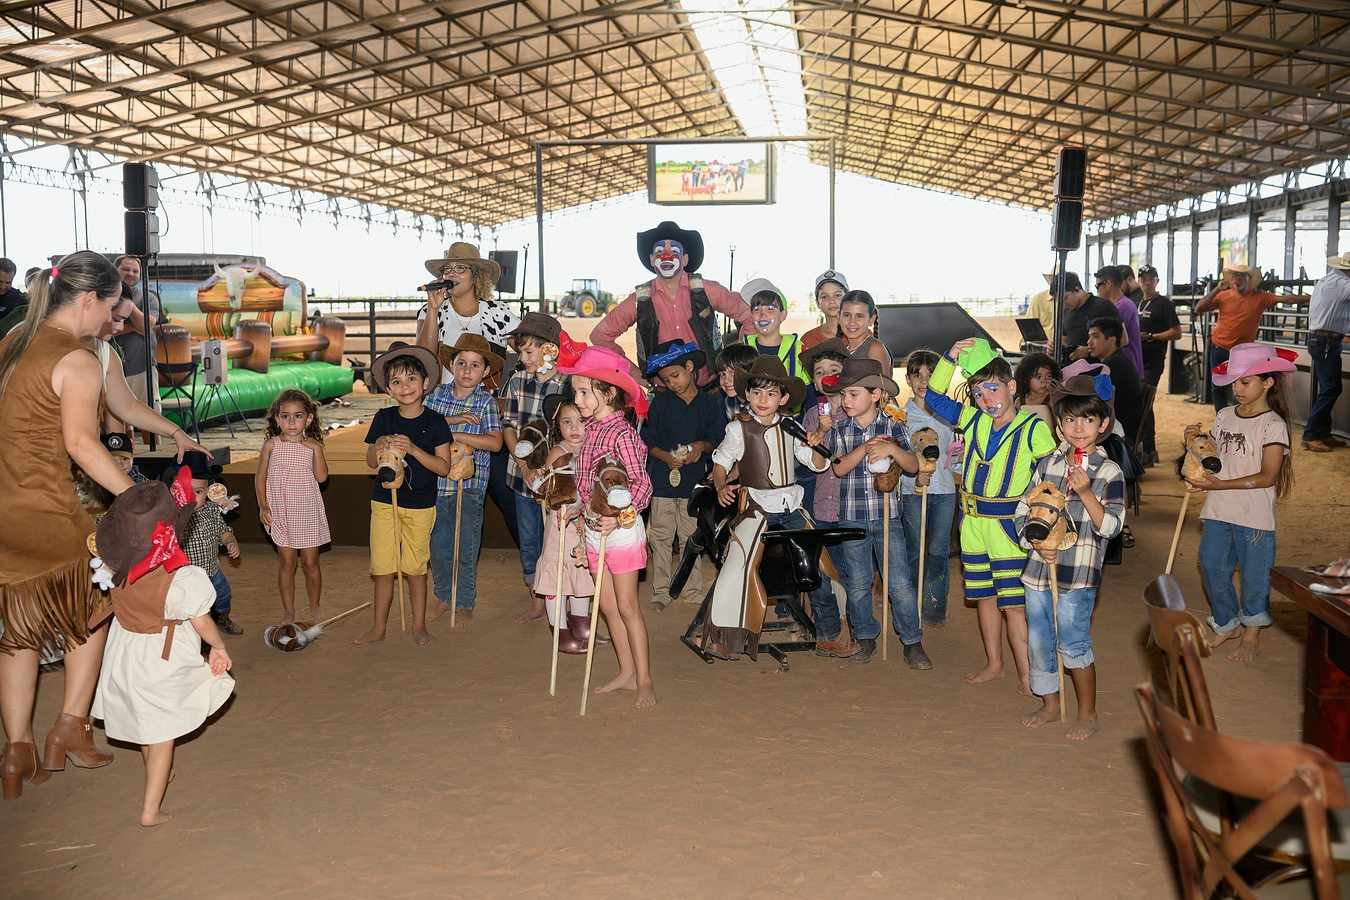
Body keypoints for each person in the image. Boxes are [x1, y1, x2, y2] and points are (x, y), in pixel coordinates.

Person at [0, 251, 133, 801]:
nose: (111, 320)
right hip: (48, 510)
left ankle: (17, 752)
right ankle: (70, 726)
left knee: (19, 630)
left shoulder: (13, 342)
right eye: (110, 308)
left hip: (4, 514)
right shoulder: (77, 360)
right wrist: (135, 496)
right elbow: (81, 444)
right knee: (96, 607)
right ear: (88, 299)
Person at [88, 473, 234, 825]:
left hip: (126, 653)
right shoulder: (181, 577)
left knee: (146, 721)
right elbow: (202, 622)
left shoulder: (115, 565)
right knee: (163, 733)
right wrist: (218, 647)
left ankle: (157, 770)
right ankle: (150, 810)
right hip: (162, 658)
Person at [925, 338, 1056, 694]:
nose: (986, 399)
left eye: (993, 389)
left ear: (1012, 387)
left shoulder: (1033, 428)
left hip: (1007, 528)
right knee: (984, 597)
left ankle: (1028, 675)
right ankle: (995, 665)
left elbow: (1051, 476)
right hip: (971, 525)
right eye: (978, 393)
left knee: (1014, 605)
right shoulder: (973, 419)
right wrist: (949, 358)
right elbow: (933, 398)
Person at [1015, 373, 1125, 740]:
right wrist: (1035, 542)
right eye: (1070, 419)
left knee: (1073, 641)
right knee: (1039, 639)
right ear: (1059, 424)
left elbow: (1111, 527)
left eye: (1089, 419)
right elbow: (1022, 511)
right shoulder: (1047, 465)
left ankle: (1088, 713)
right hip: (1038, 571)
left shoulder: (1109, 472)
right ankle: (1050, 703)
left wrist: (1087, 493)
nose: (1079, 428)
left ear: (1103, 424)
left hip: (1078, 575)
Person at [707, 356, 830, 658]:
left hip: (791, 506)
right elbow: (721, 463)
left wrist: (819, 439)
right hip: (756, 506)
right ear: (747, 395)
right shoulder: (738, 429)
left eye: (771, 393)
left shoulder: (791, 427)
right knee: (738, 563)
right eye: (757, 392)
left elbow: (816, 464)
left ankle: (830, 633)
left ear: (783, 398)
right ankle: (727, 638)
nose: (763, 400)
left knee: (820, 563)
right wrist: (721, 486)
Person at [557, 345, 657, 709]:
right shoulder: (591, 430)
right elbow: (588, 485)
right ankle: (626, 672)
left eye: (584, 392)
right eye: (576, 392)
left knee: (628, 606)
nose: (578, 400)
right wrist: (576, 509)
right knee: (608, 606)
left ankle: (644, 679)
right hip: (593, 530)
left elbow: (642, 486)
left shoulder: (622, 434)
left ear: (609, 392)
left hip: (622, 532)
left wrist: (620, 517)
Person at [1186, 343, 1296, 663]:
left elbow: (1267, 476)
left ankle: (1251, 633)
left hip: (1254, 514)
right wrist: (1197, 447)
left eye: (1245, 382)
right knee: (1211, 564)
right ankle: (1227, 622)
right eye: (1235, 382)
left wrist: (1221, 485)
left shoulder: (1273, 424)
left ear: (1268, 382)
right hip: (1220, 508)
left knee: (1253, 576)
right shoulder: (1224, 415)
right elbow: (1215, 457)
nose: (1237, 388)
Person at [413, 242, 520, 548]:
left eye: (461, 268)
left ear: (476, 276)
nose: (453, 274)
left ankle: (534, 561)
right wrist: (433, 309)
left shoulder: (497, 312)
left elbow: (526, 351)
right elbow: (423, 358)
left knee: (503, 490)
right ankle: (443, 560)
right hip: (444, 408)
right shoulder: (431, 310)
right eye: (448, 269)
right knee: (440, 488)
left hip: (486, 410)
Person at [820, 358, 923, 665]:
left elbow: (913, 466)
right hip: (852, 517)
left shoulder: (894, 426)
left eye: (853, 394)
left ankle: (912, 640)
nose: (846, 401)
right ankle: (865, 636)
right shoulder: (839, 430)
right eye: (844, 395)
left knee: (900, 583)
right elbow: (838, 468)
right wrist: (865, 447)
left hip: (888, 517)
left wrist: (892, 449)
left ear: (875, 395)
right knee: (858, 582)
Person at [357, 345, 453, 645]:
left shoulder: (435, 422)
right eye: (396, 381)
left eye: (411, 379)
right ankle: (378, 628)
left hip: (421, 505)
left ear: (425, 383)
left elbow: (443, 467)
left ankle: (419, 625)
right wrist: (379, 445)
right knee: (383, 568)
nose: (405, 386)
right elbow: (370, 462)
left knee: (415, 569)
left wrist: (413, 449)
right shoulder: (384, 417)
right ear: (388, 389)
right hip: (384, 502)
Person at [589, 221, 753, 384]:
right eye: (660, 251)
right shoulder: (638, 301)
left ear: (685, 259)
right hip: (663, 393)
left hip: (711, 390)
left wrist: (736, 360)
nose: (666, 255)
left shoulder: (708, 290)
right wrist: (634, 373)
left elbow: (751, 315)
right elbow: (600, 337)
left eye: (674, 251)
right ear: (652, 260)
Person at [425, 334, 504, 625]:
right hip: (435, 484)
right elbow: (423, 429)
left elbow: (495, 442)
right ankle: (445, 595)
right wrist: (451, 424)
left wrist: (456, 436)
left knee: (466, 545)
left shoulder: (486, 403)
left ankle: (464, 601)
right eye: (461, 363)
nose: (467, 370)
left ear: (485, 371)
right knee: (438, 545)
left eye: (475, 365)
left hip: (470, 486)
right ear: (451, 365)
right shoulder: (435, 396)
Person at [641, 340, 726, 612]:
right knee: (661, 536)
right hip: (661, 482)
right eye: (666, 380)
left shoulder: (709, 404)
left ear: (690, 367)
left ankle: (691, 589)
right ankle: (661, 591)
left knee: (691, 536)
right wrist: (667, 457)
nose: (671, 384)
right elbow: (648, 440)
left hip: (693, 483)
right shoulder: (660, 403)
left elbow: (716, 439)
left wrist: (700, 447)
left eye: (675, 376)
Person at [500, 312, 569, 620]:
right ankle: (537, 600)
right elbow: (509, 426)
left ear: (550, 349)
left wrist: (551, 467)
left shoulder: (567, 383)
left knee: (560, 539)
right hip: (522, 478)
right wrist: (525, 467)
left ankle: (563, 597)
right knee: (529, 540)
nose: (523, 358)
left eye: (529, 352)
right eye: (521, 352)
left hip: (558, 479)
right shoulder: (516, 381)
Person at [799, 338, 857, 657]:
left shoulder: (856, 411)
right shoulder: (811, 415)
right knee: (820, 572)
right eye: (819, 372)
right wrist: (821, 432)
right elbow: (815, 463)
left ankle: (857, 630)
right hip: (822, 505)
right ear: (814, 382)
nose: (826, 376)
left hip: (853, 505)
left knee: (852, 573)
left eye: (834, 369)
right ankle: (828, 631)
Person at [255, 389, 330, 625]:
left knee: (310, 563)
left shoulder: (312, 447)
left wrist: (316, 449)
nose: (291, 422)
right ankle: (288, 610)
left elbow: (322, 478)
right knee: (287, 563)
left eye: (298, 416)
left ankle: (314, 605)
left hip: (307, 512)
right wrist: (263, 506)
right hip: (281, 513)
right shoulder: (271, 445)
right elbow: (260, 478)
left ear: (308, 419)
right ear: (277, 419)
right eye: (285, 416)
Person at [1195, 262, 1309, 411]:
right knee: (1217, 387)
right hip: (1219, 346)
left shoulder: (1261, 297)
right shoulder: (1223, 296)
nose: (1237, 279)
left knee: (1242, 386)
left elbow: (1287, 299)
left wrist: (1312, 298)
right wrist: (1216, 289)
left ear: (1249, 280)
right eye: (1235, 276)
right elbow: (1199, 308)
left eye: (1241, 276)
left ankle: (1239, 417)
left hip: (1242, 352)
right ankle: (1221, 418)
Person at [900, 350, 959, 627]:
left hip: (944, 491)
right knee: (913, 550)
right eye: (917, 375)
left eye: (931, 375)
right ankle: (910, 605)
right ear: (908, 380)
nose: (924, 381)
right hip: (912, 492)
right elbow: (899, 458)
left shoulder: (951, 414)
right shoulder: (901, 416)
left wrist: (960, 458)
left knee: (938, 551)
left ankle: (934, 606)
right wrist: (913, 478)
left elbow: (953, 458)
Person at [533, 395, 595, 654]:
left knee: (581, 572)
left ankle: (581, 625)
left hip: (586, 523)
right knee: (557, 576)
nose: (574, 428)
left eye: (581, 421)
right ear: (558, 425)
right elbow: (553, 491)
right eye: (567, 422)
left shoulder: (592, 449)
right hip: (563, 524)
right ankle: (560, 631)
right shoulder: (559, 453)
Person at [177, 451, 243, 637]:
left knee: (223, 594)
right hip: (187, 575)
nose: (192, 496)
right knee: (193, 605)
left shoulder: (212, 510)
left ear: (207, 491)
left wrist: (230, 541)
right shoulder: (175, 515)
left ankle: (222, 618)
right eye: (186, 490)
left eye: (198, 492)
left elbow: (222, 530)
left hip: (212, 569)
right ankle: (195, 633)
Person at [1302, 252, 1350, 452]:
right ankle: (1311, 435)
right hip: (1326, 341)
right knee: (1330, 388)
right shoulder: (1342, 284)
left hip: (1324, 340)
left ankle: (1322, 432)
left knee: (1330, 388)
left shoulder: (1329, 280)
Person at [1135, 264, 1182, 464]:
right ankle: (1144, 448)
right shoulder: (1137, 302)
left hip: (1153, 362)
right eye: (1143, 279)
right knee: (1139, 401)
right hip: (1137, 361)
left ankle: (1149, 449)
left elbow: (1176, 332)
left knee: (1145, 401)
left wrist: (1152, 336)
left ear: (1157, 281)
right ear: (1138, 281)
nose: (1147, 282)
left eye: (1151, 279)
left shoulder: (1164, 304)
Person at [111, 255, 161, 413]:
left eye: (135, 271)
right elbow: (105, 330)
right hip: (111, 368)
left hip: (142, 368)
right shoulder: (106, 297)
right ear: (115, 270)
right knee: (118, 417)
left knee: (149, 415)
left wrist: (129, 303)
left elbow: (147, 327)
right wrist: (133, 328)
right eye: (126, 269)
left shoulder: (150, 298)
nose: (131, 274)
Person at [1085, 318, 1144, 445]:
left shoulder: (1115, 364)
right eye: (1089, 337)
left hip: (1119, 437)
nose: (1089, 342)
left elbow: (1086, 387)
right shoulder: (1117, 360)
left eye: (1095, 336)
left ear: (1111, 340)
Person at [741, 278, 804, 381]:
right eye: (756, 309)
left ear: (782, 315)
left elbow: (808, 387)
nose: (762, 314)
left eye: (770, 308)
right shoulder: (742, 349)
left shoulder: (799, 349)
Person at [1056, 272, 1121, 364]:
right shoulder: (1065, 312)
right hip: (1073, 368)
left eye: (1065, 298)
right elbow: (1065, 340)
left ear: (1077, 290)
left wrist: (1088, 351)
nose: (1063, 303)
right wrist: (1056, 346)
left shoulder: (1103, 306)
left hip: (1100, 368)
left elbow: (1122, 340)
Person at [1091, 266, 1143, 376]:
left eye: (1097, 285)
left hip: (1125, 367)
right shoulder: (1121, 304)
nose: (1097, 290)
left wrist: (1088, 349)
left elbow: (1120, 340)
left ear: (1108, 283)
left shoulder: (1121, 307)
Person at [838, 289, 892, 369]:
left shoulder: (875, 349)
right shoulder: (841, 350)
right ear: (839, 317)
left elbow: (883, 377)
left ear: (871, 320)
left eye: (859, 316)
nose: (852, 322)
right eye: (847, 315)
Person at [801, 271, 848, 349]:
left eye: (837, 295)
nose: (831, 301)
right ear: (817, 302)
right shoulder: (808, 339)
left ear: (848, 298)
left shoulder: (862, 335)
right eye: (824, 297)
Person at [1013, 352, 1061, 425]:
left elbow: (1059, 425)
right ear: (1026, 378)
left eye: (1048, 376)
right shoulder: (1020, 401)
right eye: (1038, 377)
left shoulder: (1052, 400)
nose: (1044, 381)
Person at [713, 342, 757, 421]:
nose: (726, 380)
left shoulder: (762, 402)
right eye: (723, 374)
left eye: (733, 373)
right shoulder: (729, 402)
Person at [1024, 269, 1057, 338]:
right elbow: (1029, 326)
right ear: (1050, 279)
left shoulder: (1039, 298)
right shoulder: (1038, 299)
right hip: (1043, 343)